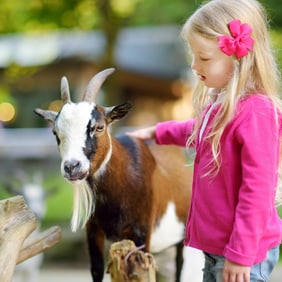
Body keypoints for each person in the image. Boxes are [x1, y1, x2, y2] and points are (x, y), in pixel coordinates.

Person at [127, 0, 282, 281]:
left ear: (239, 57)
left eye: (205, 58)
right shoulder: (224, 104)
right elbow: (199, 130)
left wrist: (240, 254)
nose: (194, 64)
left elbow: (257, 191)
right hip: (218, 248)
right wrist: (158, 132)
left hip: (241, 252)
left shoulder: (256, 112)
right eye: (193, 55)